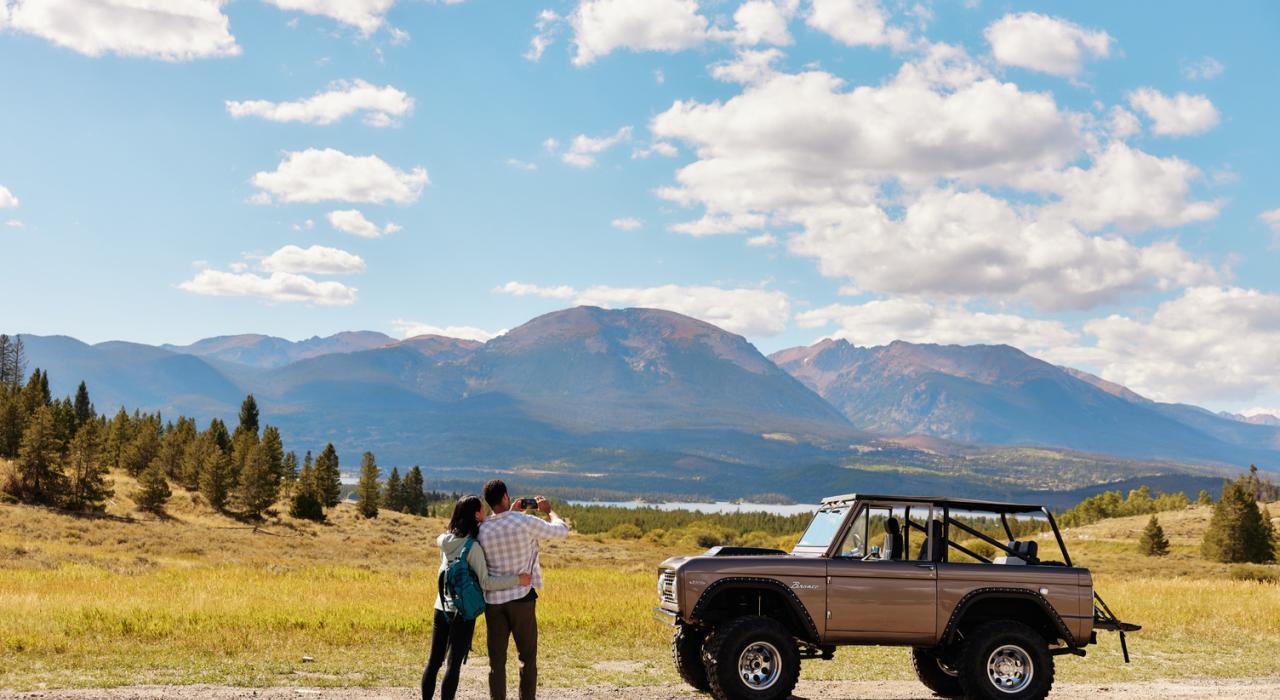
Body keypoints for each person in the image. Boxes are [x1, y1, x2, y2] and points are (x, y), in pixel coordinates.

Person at [423, 495, 532, 700]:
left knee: (434, 661)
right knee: (453, 664)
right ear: (475, 514)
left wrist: (511, 512)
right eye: (482, 510)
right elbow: (486, 583)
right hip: (463, 611)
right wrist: (518, 579)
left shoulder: (445, 541)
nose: (485, 513)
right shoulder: (472, 547)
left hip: (441, 607)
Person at [478, 479, 570, 700]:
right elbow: (561, 531)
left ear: (489, 502)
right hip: (522, 598)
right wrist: (550, 511)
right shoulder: (524, 522)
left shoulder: (482, 529)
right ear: (505, 497)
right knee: (527, 658)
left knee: (496, 662)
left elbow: (500, 525)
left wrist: (508, 512)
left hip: (493, 602)